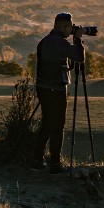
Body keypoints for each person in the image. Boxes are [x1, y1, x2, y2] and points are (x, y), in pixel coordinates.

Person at [31, 12, 86, 174]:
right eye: (70, 26)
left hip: (43, 87)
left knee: (47, 123)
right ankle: (55, 163)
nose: (71, 29)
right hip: (56, 88)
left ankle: (37, 160)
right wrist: (78, 40)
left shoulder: (45, 41)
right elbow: (79, 57)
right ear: (64, 27)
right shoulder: (59, 43)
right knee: (58, 125)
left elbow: (65, 63)